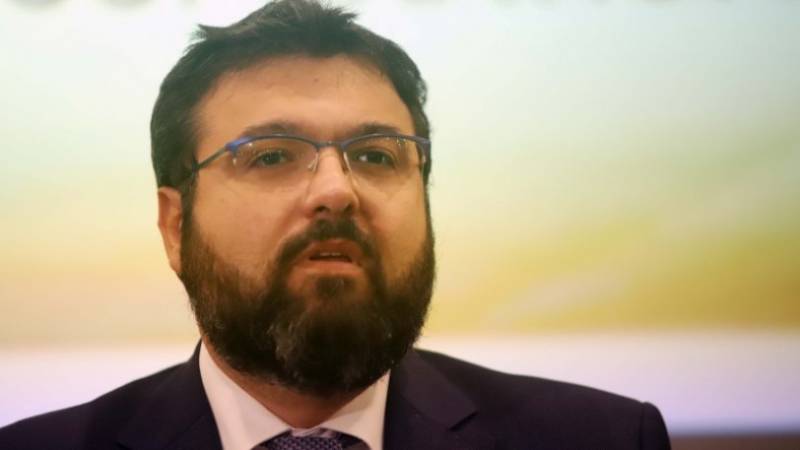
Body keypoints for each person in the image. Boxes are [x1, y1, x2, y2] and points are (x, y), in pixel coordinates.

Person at [0, 1, 670, 449]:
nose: (336, 192)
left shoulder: (604, 438)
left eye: (376, 156)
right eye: (270, 156)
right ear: (176, 225)